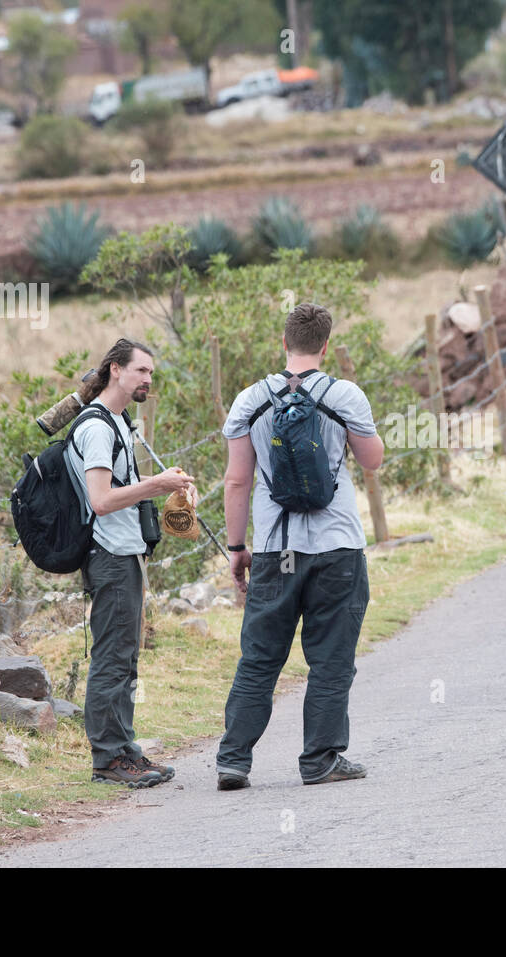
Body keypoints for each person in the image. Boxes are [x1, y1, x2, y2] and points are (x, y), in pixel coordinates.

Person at [215, 302, 384, 790]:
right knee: (331, 658)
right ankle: (321, 759)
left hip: (274, 549)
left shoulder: (251, 399)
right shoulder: (344, 394)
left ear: (283, 342)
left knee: (260, 657)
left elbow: (236, 482)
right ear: (325, 346)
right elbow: (371, 460)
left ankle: (233, 760)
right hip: (336, 548)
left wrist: (237, 547)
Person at [66, 338, 196, 789]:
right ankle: (106, 760)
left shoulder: (119, 421)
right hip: (109, 554)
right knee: (111, 659)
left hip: (125, 552)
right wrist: (155, 484)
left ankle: (125, 751)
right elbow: (101, 501)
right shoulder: (98, 427)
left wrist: (167, 486)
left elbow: (121, 484)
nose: (148, 380)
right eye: (141, 371)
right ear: (116, 370)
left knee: (125, 659)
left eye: (151, 373)